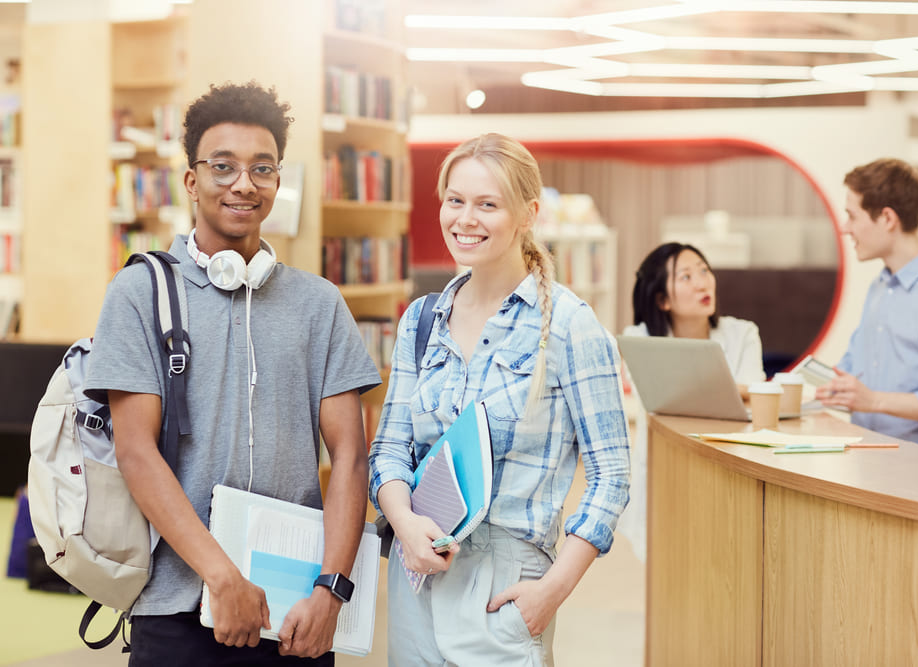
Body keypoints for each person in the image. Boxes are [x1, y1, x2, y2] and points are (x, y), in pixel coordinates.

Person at [84, 81, 382, 664]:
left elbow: (350, 455)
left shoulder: (319, 303)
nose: (244, 183)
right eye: (223, 167)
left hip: (296, 612)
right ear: (191, 180)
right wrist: (222, 577)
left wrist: (332, 591)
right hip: (175, 606)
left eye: (262, 168)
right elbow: (136, 451)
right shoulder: (139, 291)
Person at [368, 132, 630, 666]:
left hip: (507, 585)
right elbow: (389, 449)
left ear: (527, 213)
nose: (466, 219)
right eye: (455, 200)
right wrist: (403, 522)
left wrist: (553, 590)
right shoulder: (421, 319)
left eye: (488, 204)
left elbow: (612, 475)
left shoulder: (569, 326)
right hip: (417, 569)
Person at [816, 157, 918, 456]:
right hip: (867, 459)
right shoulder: (880, 286)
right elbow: (854, 364)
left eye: (852, 216)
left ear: (887, 219)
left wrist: (874, 401)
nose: (845, 228)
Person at [617, 241, 765, 561]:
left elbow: (757, 392)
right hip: (666, 468)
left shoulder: (742, 333)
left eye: (704, 270)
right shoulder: (640, 338)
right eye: (686, 276)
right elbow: (652, 397)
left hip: (727, 466)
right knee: (667, 568)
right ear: (662, 299)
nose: (702, 282)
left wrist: (690, 388)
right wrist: (732, 391)